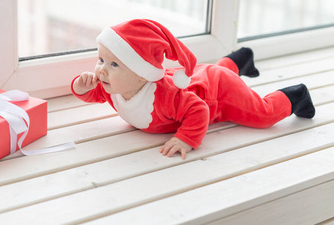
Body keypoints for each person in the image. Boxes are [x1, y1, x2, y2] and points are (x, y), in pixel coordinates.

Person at [71, 19, 315, 159]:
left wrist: (186, 138)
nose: (101, 70)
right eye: (101, 60)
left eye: (114, 64)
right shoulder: (113, 86)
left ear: (141, 73)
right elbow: (95, 93)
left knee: (263, 115)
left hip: (219, 93)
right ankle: (240, 59)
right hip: (201, 77)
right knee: (213, 71)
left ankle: (296, 96)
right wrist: (82, 87)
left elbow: (198, 109)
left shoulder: (164, 98)